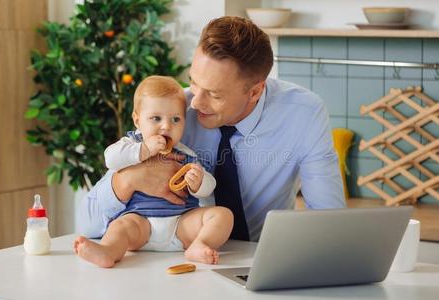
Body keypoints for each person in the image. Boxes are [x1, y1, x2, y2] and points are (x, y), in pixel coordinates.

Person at [77, 16, 345, 244]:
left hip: (260, 259)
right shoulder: (172, 116)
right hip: (178, 258)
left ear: (254, 91)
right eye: (194, 82)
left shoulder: (304, 113)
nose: (195, 102)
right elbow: (86, 225)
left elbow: (330, 221)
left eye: (214, 94)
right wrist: (127, 181)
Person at [74, 76, 233, 268]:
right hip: (140, 221)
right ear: (137, 120)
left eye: (176, 119)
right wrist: (144, 150)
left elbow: (209, 188)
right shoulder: (131, 144)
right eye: (156, 118)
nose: (166, 126)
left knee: (223, 215)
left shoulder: (185, 154)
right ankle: (109, 251)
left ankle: (200, 245)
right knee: (120, 227)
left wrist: (198, 182)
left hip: (180, 224)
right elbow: (111, 158)